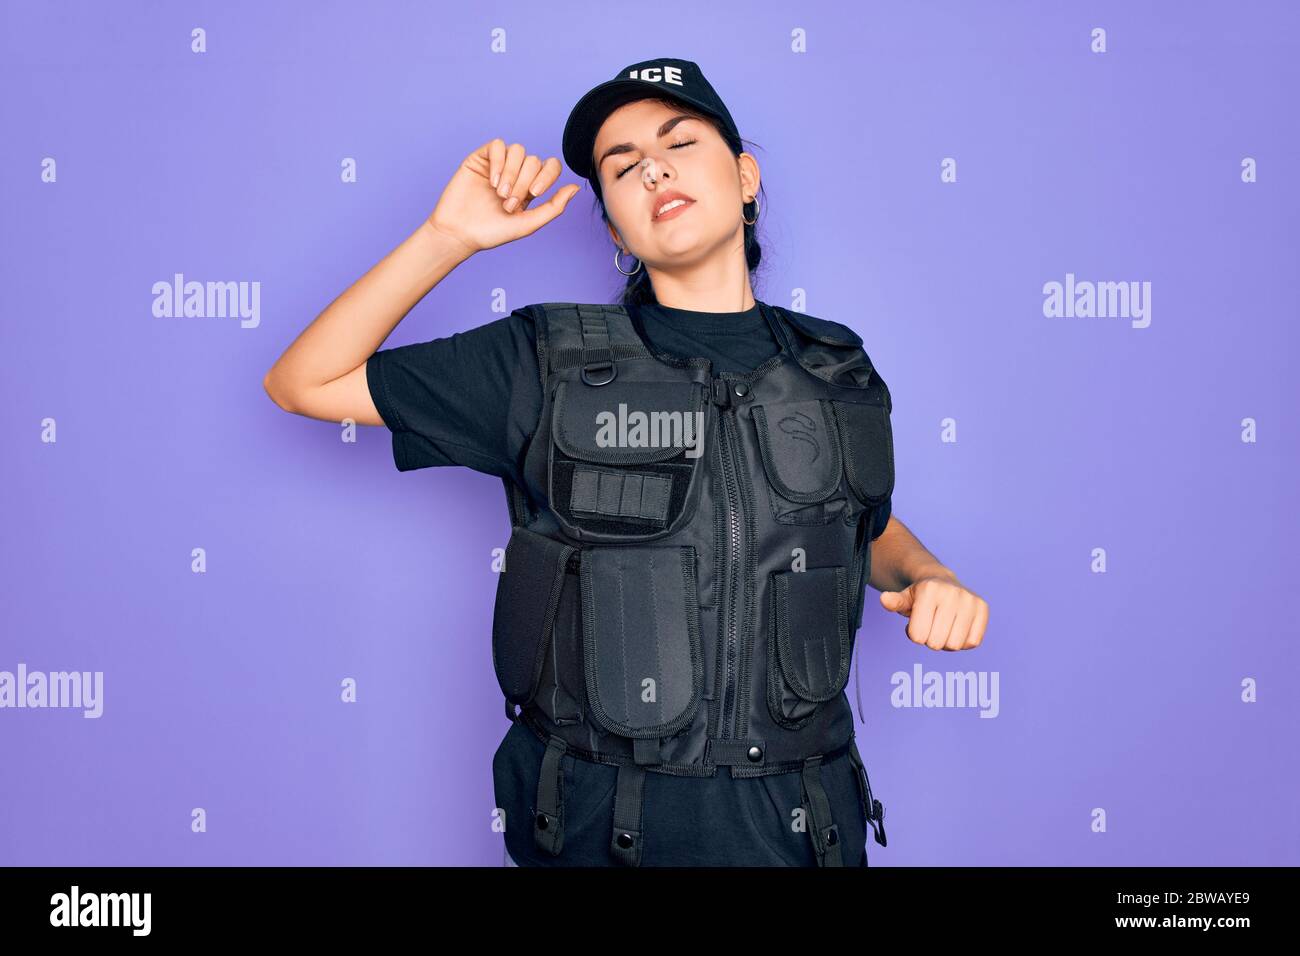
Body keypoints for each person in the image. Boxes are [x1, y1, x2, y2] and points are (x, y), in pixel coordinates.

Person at [263, 57, 990, 867]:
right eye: (623, 165)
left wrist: (931, 575)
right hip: (604, 832)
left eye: (679, 142)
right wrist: (449, 239)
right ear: (614, 228)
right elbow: (304, 380)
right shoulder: (542, 361)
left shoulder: (835, 366)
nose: (654, 168)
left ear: (745, 177)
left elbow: (853, 523)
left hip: (805, 827)